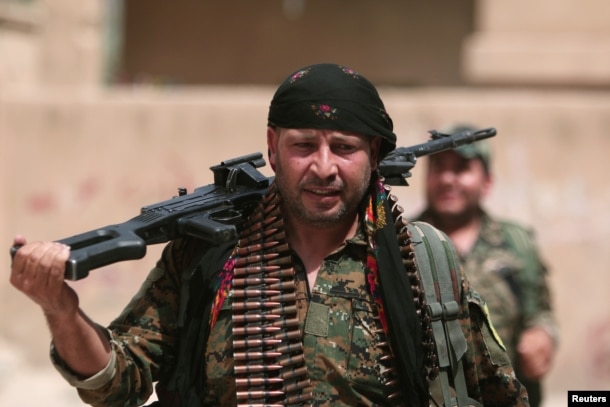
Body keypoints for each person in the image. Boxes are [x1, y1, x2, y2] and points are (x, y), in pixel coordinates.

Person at [10, 64, 529, 407]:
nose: (323, 167)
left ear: (374, 155)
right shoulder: (209, 256)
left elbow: (498, 395)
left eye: (344, 147)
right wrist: (60, 309)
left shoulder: (422, 259)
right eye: (304, 145)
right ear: (272, 147)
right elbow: (119, 382)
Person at [413, 124, 558, 407]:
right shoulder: (403, 241)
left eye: (461, 169)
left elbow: (540, 312)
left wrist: (543, 336)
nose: (447, 179)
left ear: (487, 182)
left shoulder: (515, 243)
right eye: (438, 167)